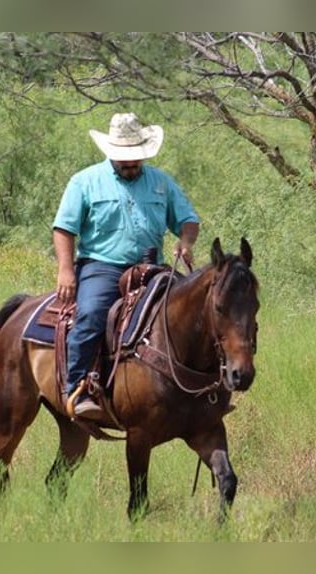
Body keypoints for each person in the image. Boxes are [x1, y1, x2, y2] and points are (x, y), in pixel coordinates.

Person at [53, 112, 200, 418]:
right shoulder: (85, 181)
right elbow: (64, 229)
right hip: (102, 266)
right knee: (92, 314)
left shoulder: (161, 182)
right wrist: (66, 270)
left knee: (192, 313)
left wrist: (185, 242)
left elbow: (187, 220)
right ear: (111, 153)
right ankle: (77, 387)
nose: (131, 165)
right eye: (125, 160)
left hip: (154, 267)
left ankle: (198, 388)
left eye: (136, 160)